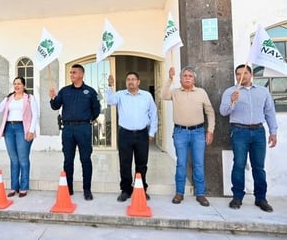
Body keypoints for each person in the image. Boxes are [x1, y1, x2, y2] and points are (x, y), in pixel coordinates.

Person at [219, 64, 277, 212]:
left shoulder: (263, 92)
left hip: (258, 132)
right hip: (239, 132)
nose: (241, 76)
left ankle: (261, 198)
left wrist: (273, 131)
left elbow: (270, 112)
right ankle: (237, 197)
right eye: (238, 74)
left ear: (251, 75)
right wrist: (233, 101)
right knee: (239, 165)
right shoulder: (231, 91)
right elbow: (223, 112)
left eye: (244, 73)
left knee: (259, 167)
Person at [161, 66, 215, 207]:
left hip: (198, 132)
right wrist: (169, 79)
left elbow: (210, 112)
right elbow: (163, 95)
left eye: (190, 76)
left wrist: (210, 130)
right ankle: (179, 193)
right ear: (180, 78)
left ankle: (201, 194)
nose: (187, 78)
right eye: (184, 75)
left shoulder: (201, 92)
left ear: (194, 79)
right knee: (181, 164)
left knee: (199, 164)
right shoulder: (175, 92)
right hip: (180, 133)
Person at [49, 64, 101, 201]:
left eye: (74, 72)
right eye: (71, 72)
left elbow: (96, 110)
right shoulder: (65, 91)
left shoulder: (90, 91)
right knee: (68, 160)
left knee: (85, 159)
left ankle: (87, 189)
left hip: (83, 128)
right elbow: (56, 106)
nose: (71, 74)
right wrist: (52, 98)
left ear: (81, 75)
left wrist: (87, 120)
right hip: (68, 129)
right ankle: (68, 188)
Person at [106, 72, 158, 202]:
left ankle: (141, 189)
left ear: (138, 82)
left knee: (141, 164)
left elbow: (154, 114)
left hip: (142, 134)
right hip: (125, 134)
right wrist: (109, 86)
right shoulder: (120, 95)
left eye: (133, 79)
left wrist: (152, 133)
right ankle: (125, 190)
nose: (131, 81)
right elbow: (109, 100)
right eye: (128, 79)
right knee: (125, 163)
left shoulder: (147, 96)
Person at [0, 77, 38, 198]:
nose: (16, 86)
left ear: (24, 85)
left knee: (23, 158)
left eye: (19, 84)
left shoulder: (29, 98)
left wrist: (31, 131)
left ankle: (23, 187)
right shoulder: (9, 98)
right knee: (13, 159)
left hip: (22, 128)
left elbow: (35, 115)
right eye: (15, 84)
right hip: (9, 129)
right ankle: (14, 187)